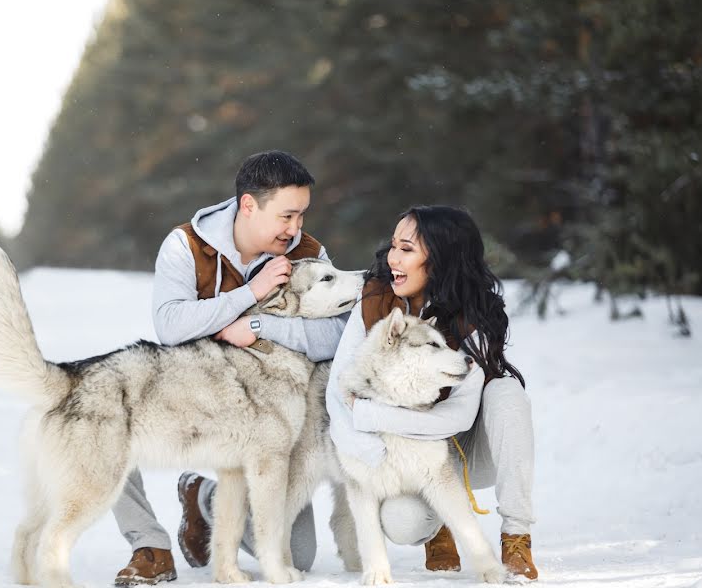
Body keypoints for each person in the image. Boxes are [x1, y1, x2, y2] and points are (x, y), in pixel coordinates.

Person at [112, 150, 347, 585]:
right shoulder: (186, 244)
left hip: (264, 415)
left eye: (302, 216)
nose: (296, 229)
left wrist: (257, 326)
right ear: (248, 205)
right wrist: (247, 295)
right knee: (110, 410)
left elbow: (339, 335)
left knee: (299, 554)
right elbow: (170, 326)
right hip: (194, 394)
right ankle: (149, 544)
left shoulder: (308, 254)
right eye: (287, 216)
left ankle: (203, 496)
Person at [325, 205, 539, 581]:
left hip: (465, 443)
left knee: (507, 393)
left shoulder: (476, 313)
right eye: (393, 246)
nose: (392, 258)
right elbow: (338, 391)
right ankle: (437, 526)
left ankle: (516, 536)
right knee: (404, 523)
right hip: (406, 452)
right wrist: (365, 454)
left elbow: (456, 416)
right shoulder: (377, 299)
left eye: (406, 249)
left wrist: (370, 416)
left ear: (439, 260)